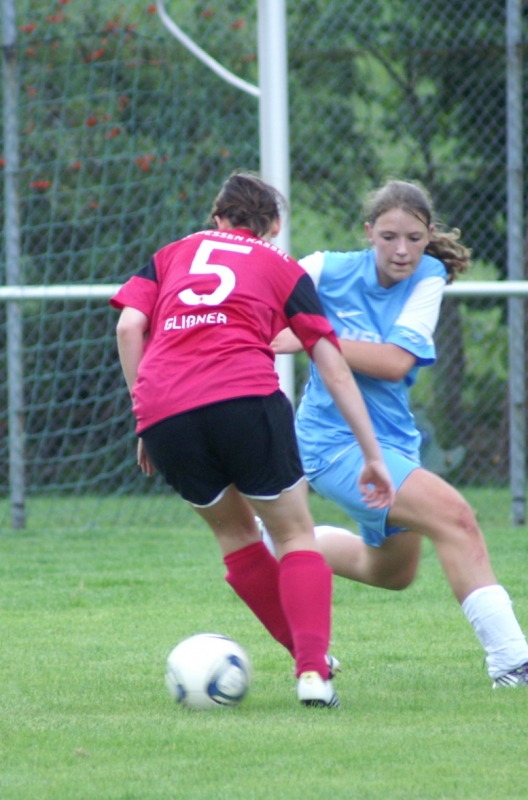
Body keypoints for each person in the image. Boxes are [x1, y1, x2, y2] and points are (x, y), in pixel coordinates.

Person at [110, 171, 395, 708]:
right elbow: (331, 364)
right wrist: (372, 454)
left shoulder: (171, 253)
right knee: (293, 535)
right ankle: (313, 673)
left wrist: (143, 413)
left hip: (165, 408)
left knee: (238, 542)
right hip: (243, 397)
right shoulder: (280, 265)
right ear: (274, 226)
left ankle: (305, 656)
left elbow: (130, 327)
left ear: (217, 218)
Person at [267, 179, 528, 688]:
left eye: (415, 238)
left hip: (394, 444)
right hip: (331, 443)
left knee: (392, 573)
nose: (402, 250)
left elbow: (395, 363)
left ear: (429, 236)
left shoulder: (429, 276)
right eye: (390, 237)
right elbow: (261, 308)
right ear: (368, 232)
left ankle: (288, 544)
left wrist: (314, 336)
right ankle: (513, 667)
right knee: (457, 519)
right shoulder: (323, 269)